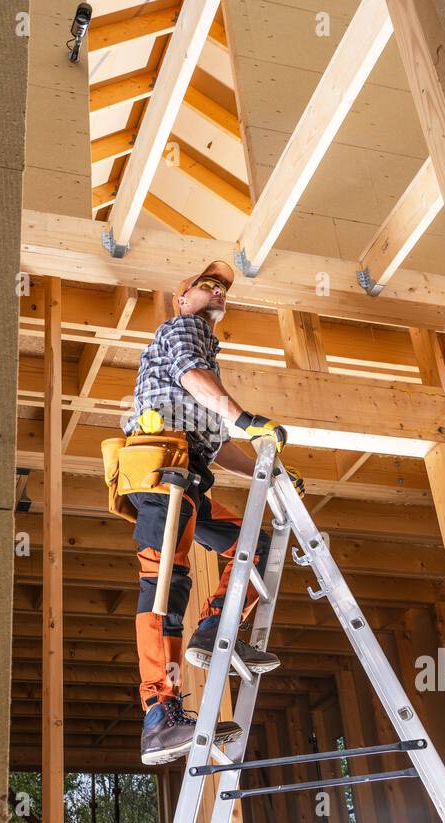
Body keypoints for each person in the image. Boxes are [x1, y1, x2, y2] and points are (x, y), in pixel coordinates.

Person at [115, 260, 303, 765]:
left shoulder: (206, 366)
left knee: (255, 548)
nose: (217, 290)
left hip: (190, 472)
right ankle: (160, 711)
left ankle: (215, 631)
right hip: (163, 471)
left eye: (222, 287)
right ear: (183, 299)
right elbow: (188, 375)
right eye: (205, 285)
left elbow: (218, 445)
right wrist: (247, 419)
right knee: (163, 584)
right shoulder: (183, 329)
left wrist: (271, 465)